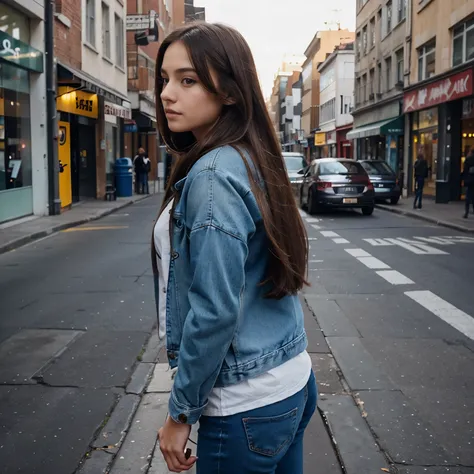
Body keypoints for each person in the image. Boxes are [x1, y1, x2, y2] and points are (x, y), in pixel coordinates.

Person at [151, 23, 316, 474]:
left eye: (187, 80)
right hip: (291, 380)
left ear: (228, 91)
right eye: (164, 78)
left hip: (243, 404)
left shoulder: (211, 175)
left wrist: (179, 414)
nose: (168, 94)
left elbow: (215, 311)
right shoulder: (250, 154)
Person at [463, 147, 474, 218]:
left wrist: (464, 179)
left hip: (470, 180)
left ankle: (466, 212)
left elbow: (465, 170)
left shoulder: (468, 159)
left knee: (468, 197)